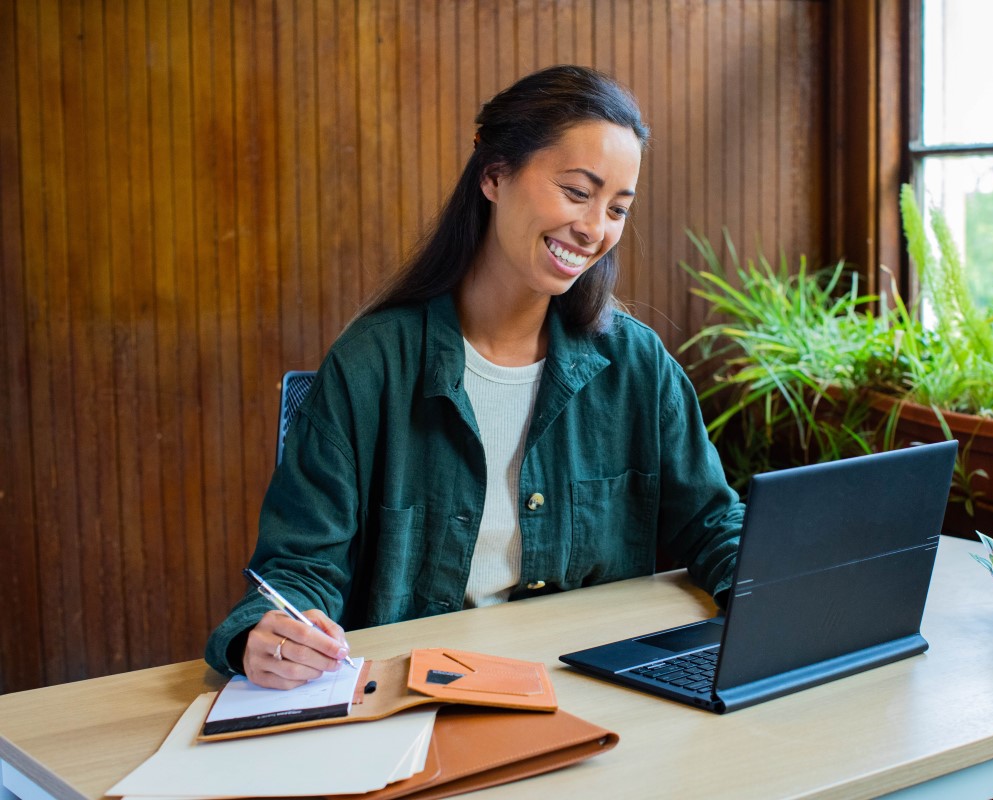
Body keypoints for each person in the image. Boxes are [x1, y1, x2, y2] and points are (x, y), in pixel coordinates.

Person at [204, 64, 744, 689]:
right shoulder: (370, 365)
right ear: (494, 176)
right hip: (419, 701)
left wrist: (772, 597)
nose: (595, 229)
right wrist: (269, 632)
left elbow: (711, 525)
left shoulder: (637, 366)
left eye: (617, 209)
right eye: (576, 191)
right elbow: (297, 569)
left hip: (594, 692)